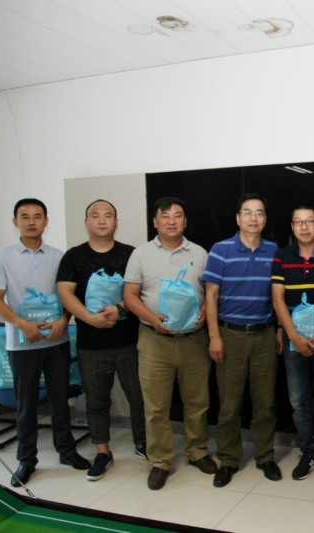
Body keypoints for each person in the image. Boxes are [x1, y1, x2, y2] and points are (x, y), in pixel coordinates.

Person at [0, 198, 91, 487]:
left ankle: (66, 451)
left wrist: (64, 320)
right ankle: (26, 460)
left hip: (56, 341)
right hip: (21, 344)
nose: (31, 222)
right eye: (25, 216)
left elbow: (70, 296)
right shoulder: (1, 256)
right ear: (15, 222)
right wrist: (22, 325)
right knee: (26, 405)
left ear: (46, 221)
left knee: (59, 401)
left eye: (37, 216)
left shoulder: (59, 256)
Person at [123, 196, 216, 491]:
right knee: (156, 406)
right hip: (155, 340)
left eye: (177, 215)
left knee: (197, 401)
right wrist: (151, 318)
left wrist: (205, 311)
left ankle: (197, 451)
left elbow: (211, 292)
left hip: (193, 340)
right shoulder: (140, 254)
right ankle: (161, 460)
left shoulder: (200, 253)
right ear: (155, 222)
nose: (172, 221)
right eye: (165, 216)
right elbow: (129, 296)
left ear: (185, 221)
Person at [56, 199, 146, 481]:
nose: (102, 220)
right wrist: (88, 318)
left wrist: (120, 309)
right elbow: (65, 292)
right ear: (86, 222)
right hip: (91, 344)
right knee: (96, 401)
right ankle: (103, 453)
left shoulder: (131, 254)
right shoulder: (74, 256)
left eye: (108, 215)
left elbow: (140, 291)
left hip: (130, 342)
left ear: (116, 222)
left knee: (140, 397)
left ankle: (143, 443)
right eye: (95, 215)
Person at [203, 193, 282, 488]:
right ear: (238, 218)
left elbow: (277, 296)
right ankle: (228, 459)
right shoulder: (220, 250)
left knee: (265, 403)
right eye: (247, 212)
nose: (253, 218)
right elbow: (210, 296)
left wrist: (278, 329)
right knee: (229, 404)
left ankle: (265, 456)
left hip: (263, 334)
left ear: (265, 219)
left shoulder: (273, 250)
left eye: (259, 213)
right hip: (230, 335)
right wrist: (214, 336)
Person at [271, 205, 314, 483]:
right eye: (298, 222)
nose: (304, 227)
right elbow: (278, 299)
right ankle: (307, 452)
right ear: (292, 226)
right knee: (298, 402)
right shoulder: (282, 256)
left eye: (310, 221)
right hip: (293, 339)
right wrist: (293, 336)